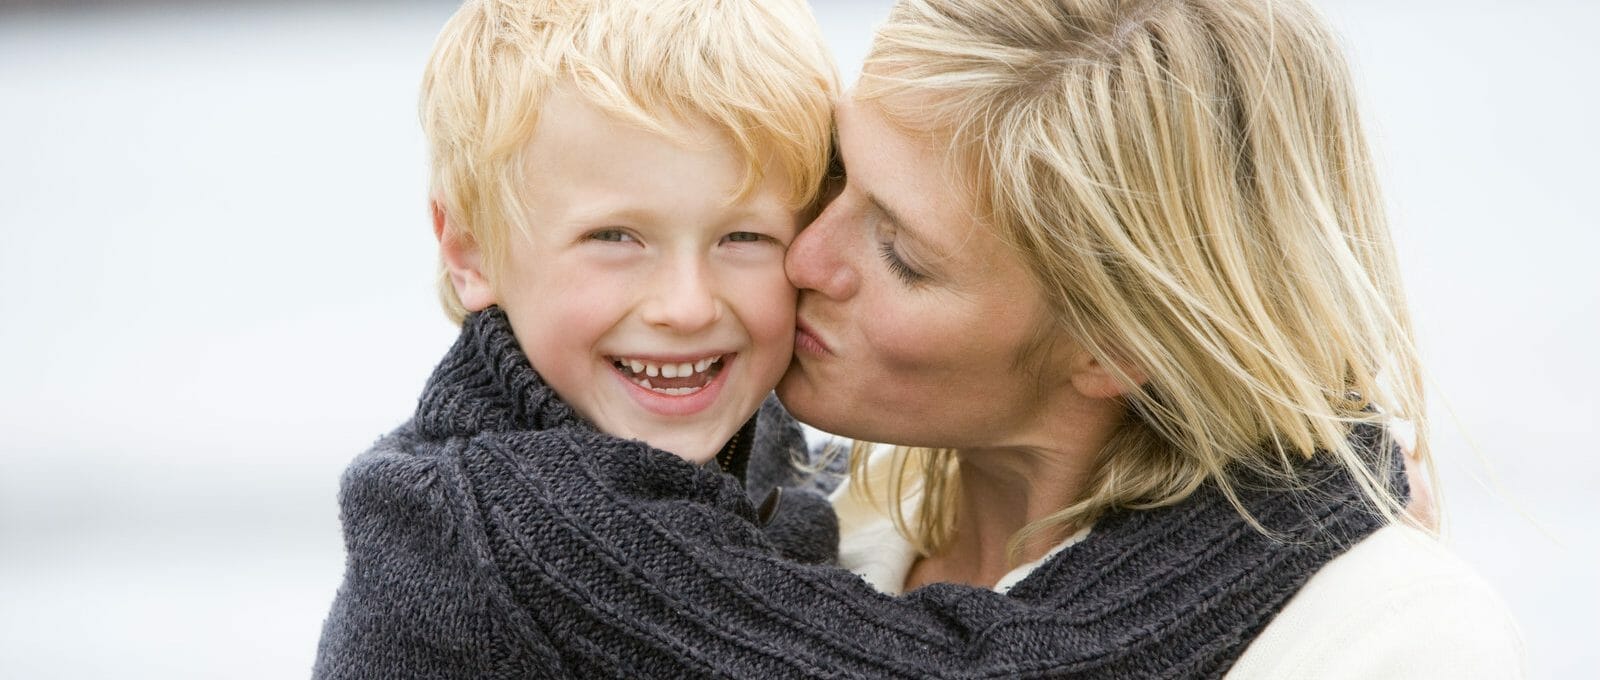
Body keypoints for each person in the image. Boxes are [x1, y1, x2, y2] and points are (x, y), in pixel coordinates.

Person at [323, 0, 1527, 677]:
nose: (801, 260)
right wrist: (1321, 489)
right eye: (834, 179)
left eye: (898, 249)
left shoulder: (1388, 642)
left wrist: (1315, 502)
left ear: (1117, 341)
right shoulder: (765, 515)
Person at [310, 0, 840, 676]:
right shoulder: (507, 527)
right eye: (615, 238)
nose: (686, 306)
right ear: (470, 250)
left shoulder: (752, 439)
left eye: (743, 237)